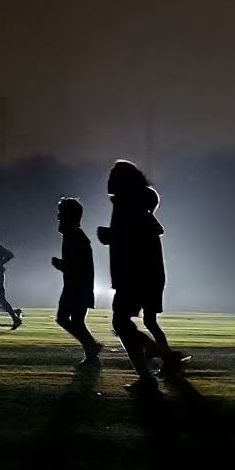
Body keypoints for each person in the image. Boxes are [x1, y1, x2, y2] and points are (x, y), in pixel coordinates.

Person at [97, 159, 187, 387]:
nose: (109, 180)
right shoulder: (137, 204)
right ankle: (159, 361)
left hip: (134, 276)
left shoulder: (126, 204)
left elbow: (131, 238)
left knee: (120, 322)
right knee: (138, 321)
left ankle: (155, 360)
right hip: (148, 275)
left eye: (114, 176)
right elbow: (140, 233)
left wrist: (110, 236)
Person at [52, 197, 103, 368]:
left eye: (61, 214)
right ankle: (91, 351)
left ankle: (91, 348)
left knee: (65, 319)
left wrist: (59, 264)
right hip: (79, 287)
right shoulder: (75, 236)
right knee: (75, 321)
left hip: (76, 288)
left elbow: (74, 266)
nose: (58, 217)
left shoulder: (73, 237)